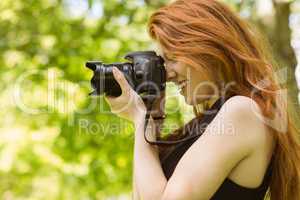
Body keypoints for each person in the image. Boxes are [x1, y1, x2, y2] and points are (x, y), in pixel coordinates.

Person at [105, 0, 300, 199]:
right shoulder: (208, 123)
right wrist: (151, 120)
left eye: (172, 59)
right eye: (162, 63)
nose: (167, 75)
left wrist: (140, 117)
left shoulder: (243, 110)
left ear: (208, 47)